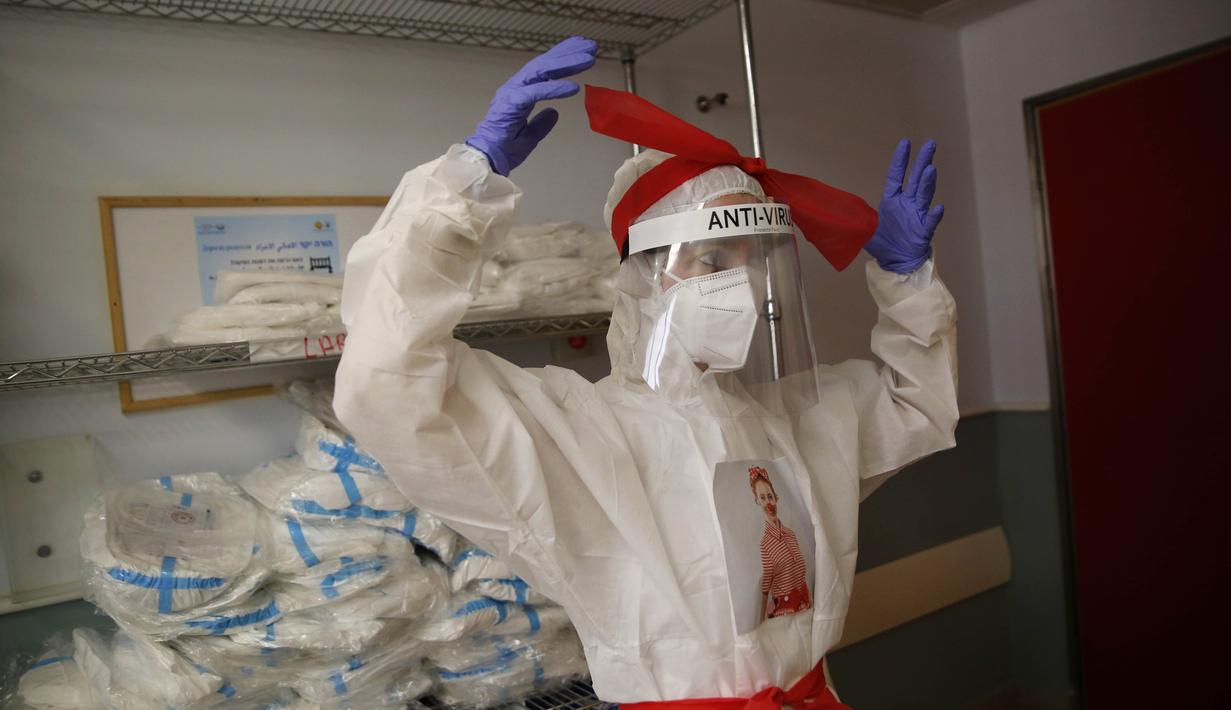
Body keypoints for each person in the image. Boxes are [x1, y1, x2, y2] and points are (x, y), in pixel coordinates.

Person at [335, 36, 957, 706]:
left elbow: (912, 407)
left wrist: (905, 284)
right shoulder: (575, 438)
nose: (740, 286)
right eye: (711, 262)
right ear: (643, 278)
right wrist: (459, 194)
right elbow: (386, 378)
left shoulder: (790, 425)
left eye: (752, 262)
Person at [750, 466, 812, 623]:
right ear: (757, 501)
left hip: (806, 605)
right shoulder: (765, 545)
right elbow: (764, 591)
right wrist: (761, 624)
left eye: (770, 496)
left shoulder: (791, 534)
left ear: (776, 498)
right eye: (763, 498)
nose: (768, 502)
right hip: (784, 616)